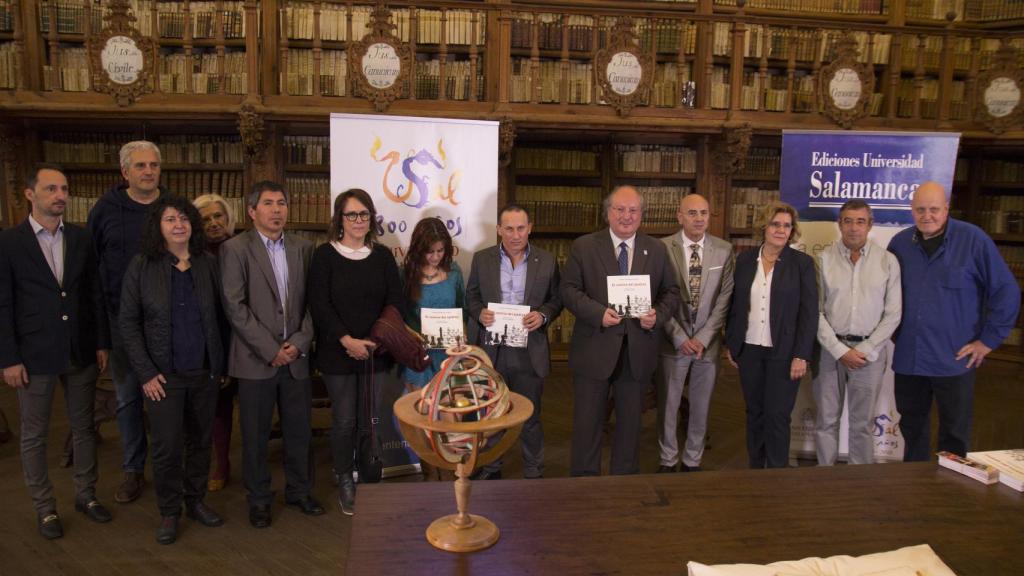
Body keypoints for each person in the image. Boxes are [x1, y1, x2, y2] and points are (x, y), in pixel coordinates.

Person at [0, 164, 112, 539]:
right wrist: (8, 358)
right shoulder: (9, 243)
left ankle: (86, 494)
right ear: (31, 194)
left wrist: (100, 341)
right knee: (34, 434)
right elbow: (2, 305)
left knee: (84, 427)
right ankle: (45, 507)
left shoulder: (81, 239)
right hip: (33, 355)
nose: (60, 195)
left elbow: (93, 294)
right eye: (51, 189)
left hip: (80, 348)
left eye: (64, 189)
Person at [119, 196, 227, 545]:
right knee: (167, 447)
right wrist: (146, 372)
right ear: (158, 226)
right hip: (163, 377)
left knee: (200, 443)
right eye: (170, 219)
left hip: (204, 371)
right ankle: (169, 511)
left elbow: (221, 319)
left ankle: (195, 502)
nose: (179, 224)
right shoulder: (142, 265)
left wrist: (220, 365)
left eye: (184, 218)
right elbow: (129, 323)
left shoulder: (208, 264)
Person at [887, 181, 1020, 460]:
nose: (927, 215)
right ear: (911, 210)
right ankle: (915, 482)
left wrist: (988, 341)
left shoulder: (974, 240)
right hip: (910, 357)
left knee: (954, 432)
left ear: (946, 208)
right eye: (920, 209)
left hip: (955, 358)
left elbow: (1006, 290)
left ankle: (951, 488)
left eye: (934, 209)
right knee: (912, 426)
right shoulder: (899, 244)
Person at [220, 181, 324, 528]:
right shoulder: (235, 249)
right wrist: (270, 349)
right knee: (255, 435)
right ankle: (260, 498)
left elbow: (315, 303)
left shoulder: (304, 248)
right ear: (252, 211)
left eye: (282, 203)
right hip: (255, 361)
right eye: (269, 203)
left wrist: (299, 341)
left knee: (299, 432)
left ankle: (299, 491)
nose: (277, 209)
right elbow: (235, 308)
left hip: (297, 358)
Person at [560, 185, 680, 476]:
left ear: (641, 214)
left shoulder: (657, 249)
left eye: (633, 210)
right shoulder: (585, 246)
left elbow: (671, 292)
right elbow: (568, 290)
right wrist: (598, 313)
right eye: (620, 209)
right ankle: (584, 482)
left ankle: (624, 484)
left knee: (630, 425)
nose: (627, 216)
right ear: (608, 213)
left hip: (637, 350)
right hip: (594, 347)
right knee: (588, 423)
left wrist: (658, 315)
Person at [309, 189, 403, 515]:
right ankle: (344, 478)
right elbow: (320, 305)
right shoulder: (324, 256)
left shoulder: (382, 256)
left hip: (376, 352)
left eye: (364, 214)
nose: (359, 220)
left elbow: (395, 301)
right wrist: (346, 339)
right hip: (338, 353)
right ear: (340, 218)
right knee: (345, 420)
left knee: (369, 420)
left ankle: (368, 478)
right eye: (352, 215)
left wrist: (377, 339)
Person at [87, 140, 166, 504]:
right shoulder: (105, 209)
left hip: (165, 323)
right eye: (140, 166)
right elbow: (92, 271)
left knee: (169, 398)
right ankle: (133, 469)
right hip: (121, 321)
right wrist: (101, 334)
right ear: (125, 172)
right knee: (127, 397)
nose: (148, 171)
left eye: (153, 165)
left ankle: (169, 467)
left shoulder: (172, 209)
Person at [466, 203, 563, 480]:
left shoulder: (546, 260)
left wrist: (543, 316)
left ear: (529, 228)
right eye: (508, 228)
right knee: (493, 414)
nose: (515, 235)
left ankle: (533, 469)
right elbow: (471, 296)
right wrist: (478, 312)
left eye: (521, 228)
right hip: (492, 350)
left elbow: (557, 299)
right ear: (498, 230)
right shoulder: (482, 259)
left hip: (528, 348)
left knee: (530, 415)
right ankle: (493, 467)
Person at [725, 201, 817, 469]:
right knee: (754, 413)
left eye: (787, 225)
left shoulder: (802, 264)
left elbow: (809, 313)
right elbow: (734, 304)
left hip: (785, 352)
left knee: (777, 415)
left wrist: (802, 354)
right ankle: (756, 468)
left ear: (792, 231)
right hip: (750, 349)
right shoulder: (743, 260)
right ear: (764, 227)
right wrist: (732, 343)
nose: (781, 230)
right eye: (775, 224)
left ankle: (777, 472)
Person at [813, 200, 902, 466]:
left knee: (862, 423)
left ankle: (859, 481)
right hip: (830, 352)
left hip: (869, 355)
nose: (854, 228)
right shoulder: (823, 259)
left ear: (870, 225)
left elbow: (893, 314)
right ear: (839, 224)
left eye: (860, 221)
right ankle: (824, 475)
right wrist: (841, 351)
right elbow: (815, 313)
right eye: (848, 221)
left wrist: (862, 350)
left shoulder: (888, 262)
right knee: (826, 420)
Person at [657, 193, 733, 473]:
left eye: (704, 213)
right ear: (680, 216)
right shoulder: (662, 248)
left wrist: (702, 338)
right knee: (668, 405)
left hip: (707, 344)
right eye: (692, 213)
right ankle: (667, 459)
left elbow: (724, 299)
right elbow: (658, 297)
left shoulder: (724, 250)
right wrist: (679, 337)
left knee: (700, 407)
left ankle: (692, 459)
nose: (699, 218)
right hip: (672, 341)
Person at [193, 194, 237, 492]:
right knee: (217, 407)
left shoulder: (242, 248)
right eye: (206, 219)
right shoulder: (192, 255)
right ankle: (220, 463)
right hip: (212, 340)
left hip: (245, 338)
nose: (213, 224)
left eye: (218, 217)